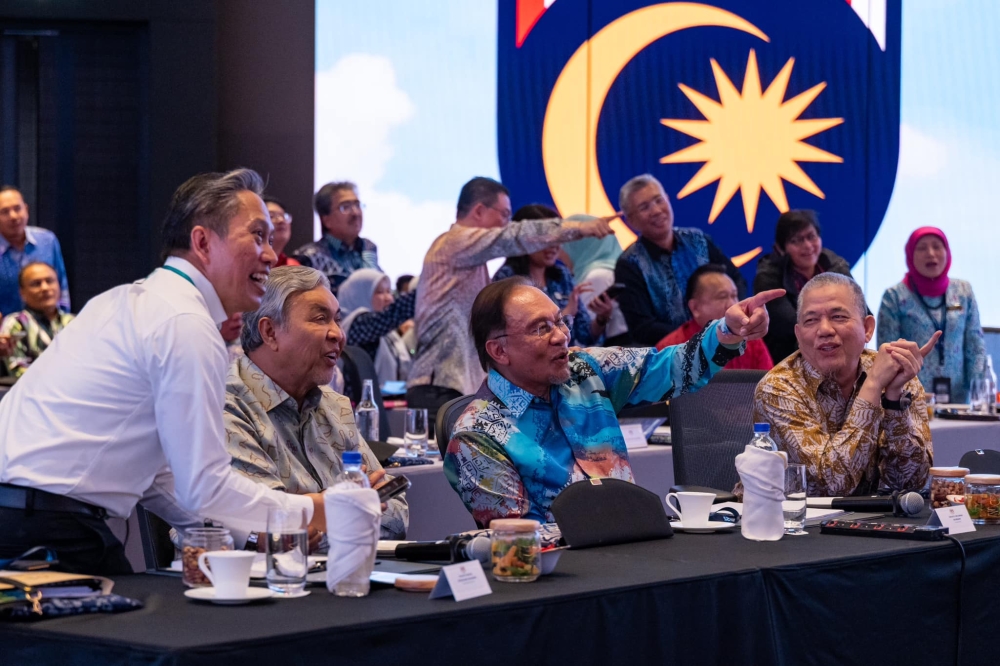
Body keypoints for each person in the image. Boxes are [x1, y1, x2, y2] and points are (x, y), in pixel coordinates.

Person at [0, 169, 327, 574]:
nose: (271, 254)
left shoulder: (123, 300)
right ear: (203, 241)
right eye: (258, 235)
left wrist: (250, 533)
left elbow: (158, 475)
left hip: (24, 520)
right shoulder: (185, 322)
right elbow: (204, 485)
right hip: (51, 532)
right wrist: (312, 510)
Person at [444, 276, 783, 527]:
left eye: (559, 321)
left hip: (639, 550)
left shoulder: (584, 369)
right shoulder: (476, 436)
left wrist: (728, 330)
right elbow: (517, 542)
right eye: (540, 328)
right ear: (499, 351)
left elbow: (670, 368)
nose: (562, 336)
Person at [406, 177, 617, 422]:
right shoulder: (454, 243)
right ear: (479, 211)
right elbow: (513, 236)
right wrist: (579, 228)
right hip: (438, 387)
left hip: (449, 385)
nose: (506, 225)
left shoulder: (465, 254)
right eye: (504, 215)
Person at [224, 266, 407, 543]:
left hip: (345, 574)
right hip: (261, 582)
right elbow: (274, 529)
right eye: (320, 319)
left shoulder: (335, 406)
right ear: (270, 332)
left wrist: (319, 513)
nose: (338, 334)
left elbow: (396, 513)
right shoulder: (224, 405)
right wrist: (347, 509)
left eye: (337, 319)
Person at [753, 273, 935, 498]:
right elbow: (832, 485)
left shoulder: (898, 375)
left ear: (867, 328)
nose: (825, 330)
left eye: (838, 316)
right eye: (811, 320)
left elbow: (913, 485)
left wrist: (894, 402)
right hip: (793, 525)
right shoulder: (778, 388)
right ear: (799, 336)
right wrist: (873, 386)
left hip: (874, 525)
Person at [614, 174, 746, 346]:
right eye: (644, 207)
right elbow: (642, 328)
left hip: (723, 340)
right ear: (630, 220)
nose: (656, 210)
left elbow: (737, 281)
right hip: (668, 355)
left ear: (668, 200)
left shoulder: (699, 240)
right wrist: (697, 336)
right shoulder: (629, 264)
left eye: (658, 200)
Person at [877, 227, 985, 404]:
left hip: (959, 400)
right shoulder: (895, 297)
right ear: (910, 254)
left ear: (947, 252)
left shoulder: (964, 292)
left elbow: (975, 345)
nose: (931, 253)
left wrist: (978, 393)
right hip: (910, 399)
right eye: (922, 248)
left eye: (937, 246)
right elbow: (888, 353)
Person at [492, 205, 616, 347]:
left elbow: (585, 336)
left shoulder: (563, 276)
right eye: (547, 239)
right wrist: (567, 312)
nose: (554, 246)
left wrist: (602, 317)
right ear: (524, 239)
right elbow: (520, 338)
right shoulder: (506, 280)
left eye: (559, 239)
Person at [754, 209, 853, 363]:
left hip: (837, 356)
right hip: (787, 360)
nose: (807, 245)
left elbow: (861, 312)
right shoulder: (768, 277)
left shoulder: (836, 267)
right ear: (781, 248)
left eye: (811, 237)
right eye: (797, 240)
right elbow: (788, 325)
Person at [656, 265, 773, 371]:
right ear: (695, 308)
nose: (732, 305)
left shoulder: (750, 339)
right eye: (722, 297)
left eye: (734, 296)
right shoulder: (669, 350)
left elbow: (769, 388)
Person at [293, 181, 380, 291]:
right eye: (345, 207)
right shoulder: (308, 257)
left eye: (357, 205)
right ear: (326, 220)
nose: (356, 213)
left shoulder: (368, 248)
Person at [0, 185, 70, 316]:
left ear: (26, 209)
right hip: (5, 331)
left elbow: (62, 285)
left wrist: (65, 322)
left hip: (48, 328)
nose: (13, 216)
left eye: (17, 208)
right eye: (5, 212)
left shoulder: (47, 240)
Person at [337, 268, 416, 383]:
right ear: (358, 294)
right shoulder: (356, 325)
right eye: (379, 292)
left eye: (389, 291)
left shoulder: (388, 334)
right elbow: (390, 316)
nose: (389, 298)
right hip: (357, 400)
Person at [0, 262, 75, 378]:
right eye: (36, 284)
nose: (44, 288)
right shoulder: (15, 323)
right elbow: (17, 369)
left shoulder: (74, 322)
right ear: (22, 293)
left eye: (49, 281)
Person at [562, 225, 629, 346]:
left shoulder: (596, 276)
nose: (559, 249)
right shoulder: (622, 267)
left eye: (563, 242)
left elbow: (586, 338)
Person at [263, 195, 300, 268]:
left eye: (283, 216)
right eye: (271, 216)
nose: (281, 220)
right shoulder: (251, 264)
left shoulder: (294, 266)